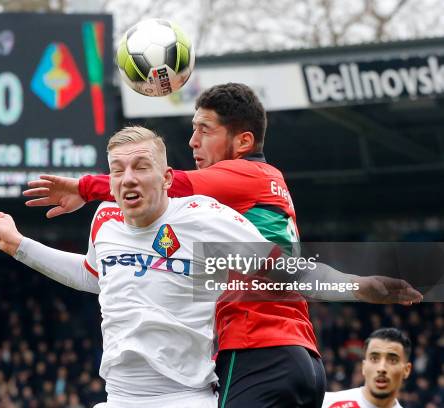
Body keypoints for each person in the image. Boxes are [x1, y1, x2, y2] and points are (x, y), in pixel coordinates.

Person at [23, 83, 422, 408]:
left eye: (205, 130)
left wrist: (85, 187)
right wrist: (355, 285)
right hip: (301, 353)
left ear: (243, 140)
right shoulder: (268, 184)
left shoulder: (238, 178)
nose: (193, 141)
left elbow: (163, 181)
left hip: (252, 350)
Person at [0, 126, 286, 408]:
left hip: (185, 398)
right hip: (118, 397)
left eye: (141, 166)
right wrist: (19, 246)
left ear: (167, 178)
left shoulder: (204, 216)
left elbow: (285, 268)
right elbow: (91, 275)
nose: (128, 178)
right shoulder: (105, 218)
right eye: (117, 170)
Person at [322, 328, 412, 408]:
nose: (381, 368)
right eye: (374, 358)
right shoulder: (326, 403)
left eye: (392, 360)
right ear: (364, 366)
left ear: (406, 370)